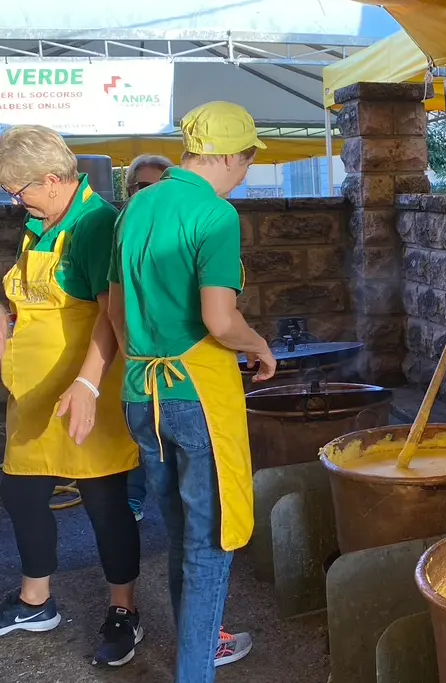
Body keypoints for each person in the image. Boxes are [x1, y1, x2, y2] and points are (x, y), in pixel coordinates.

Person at [107, 101, 276, 682]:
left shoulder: (135, 206)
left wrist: (145, 355)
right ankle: (196, 671)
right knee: (210, 545)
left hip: (140, 393)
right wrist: (258, 346)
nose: (245, 172)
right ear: (229, 154)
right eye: (247, 160)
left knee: (179, 535)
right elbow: (220, 319)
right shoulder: (216, 215)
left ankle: (197, 652)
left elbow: (113, 309)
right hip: (197, 397)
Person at [0, 125, 144, 667]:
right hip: (33, 392)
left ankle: (124, 610)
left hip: (88, 387)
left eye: (21, 190)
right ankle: (37, 600)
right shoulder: (40, 223)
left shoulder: (95, 225)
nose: (17, 202)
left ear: (55, 179)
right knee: (21, 492)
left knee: (106, 502)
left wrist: (85, 385)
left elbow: (111, 319)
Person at [122, 153, 174, 522]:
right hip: (136, 363)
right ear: (130, 191)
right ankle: (134, 498)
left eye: (161, 184)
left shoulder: (183, 230)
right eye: (144, 185)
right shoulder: (122, 230)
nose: (153, 192)